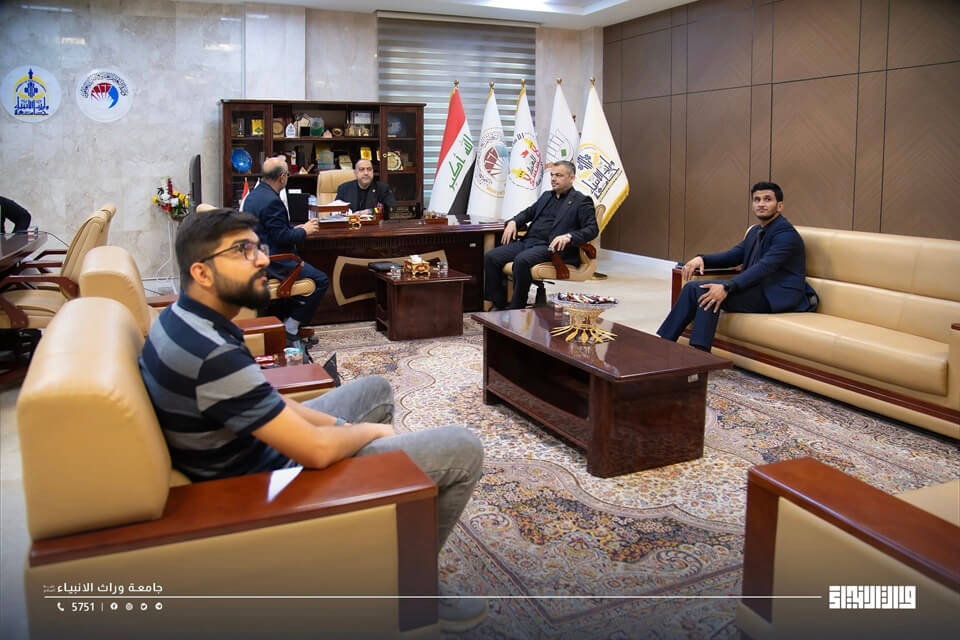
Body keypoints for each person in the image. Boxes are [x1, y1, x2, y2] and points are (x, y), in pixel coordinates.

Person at [138, 208, 487, 629]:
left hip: (263, 446)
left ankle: (382, 511)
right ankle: (414, 587)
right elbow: (317, 452)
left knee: (375, 389)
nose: (263, 259)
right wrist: (365, 433)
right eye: (244, 251)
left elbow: (268, 400)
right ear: (202, 272)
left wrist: (342, 429)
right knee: (463, 448)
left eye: (258, 247)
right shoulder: (211, 355)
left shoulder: (181, 318)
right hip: (272, 486)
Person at [657, 181, 817, 352]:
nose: (761, 204)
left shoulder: (786, 235)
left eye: (767, 199)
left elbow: (764, 267)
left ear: (780, 206)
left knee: (705, 292)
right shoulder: (755, 231)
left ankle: (700, 356)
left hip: (776, 295)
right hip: (757, 289)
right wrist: (701, 259)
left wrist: (727, 286)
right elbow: (733, 256)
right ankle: (663, 346)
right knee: (691, 288)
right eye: (757, 200)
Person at [483, 160, 598, 310]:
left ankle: (516, 308)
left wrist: (569, 236)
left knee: (522, 260)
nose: (553, 179)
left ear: (571, 178)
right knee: (491, 257)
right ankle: (498, 303)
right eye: (552, 175)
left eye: (559, 175)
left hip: (552, 248)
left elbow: (592, 229)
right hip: (529, 242)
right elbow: (528, 213)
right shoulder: (546, 196)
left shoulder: (581, 201)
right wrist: (513, 221)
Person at [242, 156, 327, 349]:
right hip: (275, 261)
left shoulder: (254, 196)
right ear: (282, 177)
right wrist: (304, 231)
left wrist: (297, 228)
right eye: (287, 174)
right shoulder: (272, 201)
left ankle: (286, 320)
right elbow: (282, 238)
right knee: (321, 280)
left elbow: (272, 230)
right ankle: (291, 327)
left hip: (257, 256)